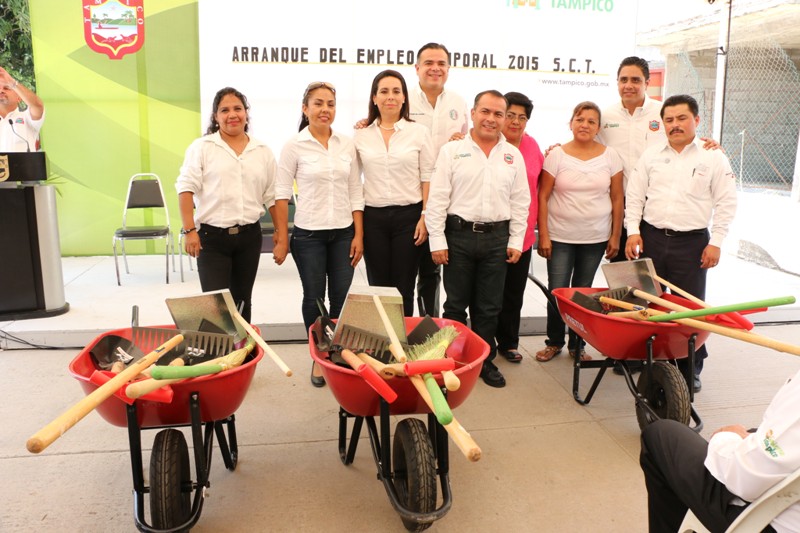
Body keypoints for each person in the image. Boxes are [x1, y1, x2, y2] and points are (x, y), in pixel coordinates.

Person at [625, 94, 737, 393]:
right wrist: (633, 231)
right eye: (669, 120)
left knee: (690, 309)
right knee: (648, 303)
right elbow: (635, 195)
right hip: (651, 238)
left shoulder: (713, 156)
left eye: (681, 118)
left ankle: (691, 368)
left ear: (696, 121)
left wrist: (718, 241)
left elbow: (727, 201)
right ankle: (649, 362)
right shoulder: (651, 155)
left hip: (692, 244)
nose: (675, 125)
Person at [425, 90, 530, 388]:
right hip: (457, 237)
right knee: (455, 306)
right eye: (486, 111)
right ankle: (454, 362)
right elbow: (438, 198)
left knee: (489, 307)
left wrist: (515, 240)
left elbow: (521, 201)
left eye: (499, 114)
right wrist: (437, 241)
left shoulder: (512, 155)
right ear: (473, 113)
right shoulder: (452, 151)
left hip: (497, 239)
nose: (492, 119)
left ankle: (484, 362)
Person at [273, 81, 364, 387]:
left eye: (330, 104)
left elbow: (355, 191)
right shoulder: (293, 146)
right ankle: (318, 356)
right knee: (314, 299)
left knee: (340, 299)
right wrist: (282, 239)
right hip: (308, 236)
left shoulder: (346, 144)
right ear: (305, 108)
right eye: (318, 104)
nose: (325, 110)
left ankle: (336, 355)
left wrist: (358, 235)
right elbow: (282, 194)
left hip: (343, 234)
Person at [639, 365, 800, 533]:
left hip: (772, 521)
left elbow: (746, 479)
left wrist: (725, 439)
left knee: (661, 436)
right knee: (751, 434)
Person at [176, 87, 276, 324]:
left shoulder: (262, 151)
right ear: (215, 116)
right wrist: (190, 231)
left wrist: (281, 232)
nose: (232, 115)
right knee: (215, 306)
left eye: (237, 109)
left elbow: (272, 196)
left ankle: (244, 357)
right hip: (211, 239)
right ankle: (220, 359)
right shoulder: (202, 148)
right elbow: (185, 189)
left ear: (246, 113)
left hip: (249, 238)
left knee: (243, 301)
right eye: (225, 110)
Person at [536, 101, 624, 363]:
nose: (585, 125)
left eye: (591, 121)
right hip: (560, 237)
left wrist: (615, 235)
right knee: (558, 290)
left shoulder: (611, 156)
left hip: (595, 238)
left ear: (598, 127)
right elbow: (543, 196)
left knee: (582, 293)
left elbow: (618, 197)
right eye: (580, 119)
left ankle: (578, 344)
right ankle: (554, 342)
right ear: (571, 123)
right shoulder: (557, 155)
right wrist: (544, 234)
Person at [354, 70, 435, 316]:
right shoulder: (361, 135)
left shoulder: (418, 132)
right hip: (374, 218)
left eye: (396, 91)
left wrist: (424, 216)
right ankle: (383, 345)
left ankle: (404, 346)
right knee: (378, 286)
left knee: (403, 286)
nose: (391, 97)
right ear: (374, 98)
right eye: (384, 91)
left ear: (404, 98)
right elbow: (353, 182)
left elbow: (428, 176)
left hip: (409, 218)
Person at [410, 43, 470, 318]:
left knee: (433, 269)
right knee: (406, 271)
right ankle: (403, 329)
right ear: (417, 68)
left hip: (446, 198)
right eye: (429, 62)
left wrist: (463, 141)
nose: (435, 68)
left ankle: (429, 326)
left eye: (441, 63)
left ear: (448, 69)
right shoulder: (404, 99)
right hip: (410, 195)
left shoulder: (458, 102)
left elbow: (470, 144)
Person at [598, 56, 666, 264]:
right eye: (623, 80)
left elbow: (684, 139)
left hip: (656, 203)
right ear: (617, 82)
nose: (628, 85)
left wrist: (708, 144)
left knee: (651, 271)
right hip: (620, 204)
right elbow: (585, 144)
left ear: (647, 83)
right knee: (622, 270)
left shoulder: (663, 112)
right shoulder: (605, 116)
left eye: (635, 80)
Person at [494, 91, 544, 364]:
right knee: (489, 294)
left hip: (522, 235)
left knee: (513, 293)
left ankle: (509, 342)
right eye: (510, 115)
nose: (515, 122)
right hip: (493, 234)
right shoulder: (491, 145)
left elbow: (541, 188)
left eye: (521, 117)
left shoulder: (533, 146)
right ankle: (484, 342)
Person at [0, 67, 45, 152]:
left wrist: (12, 83)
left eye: (7, 88)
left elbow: (37, 106)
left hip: (23, 165)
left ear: (19, 97)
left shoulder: (27, 117)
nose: (1, 90)